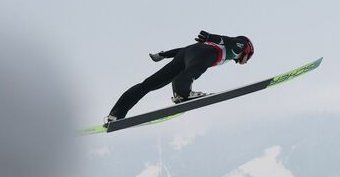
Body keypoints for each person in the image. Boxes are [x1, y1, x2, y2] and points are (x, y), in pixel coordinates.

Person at [105, 30, 254, 125]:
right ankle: (183, 94)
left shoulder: (229, 52)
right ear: (248, 50)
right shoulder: (240, 45)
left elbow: (185, 50)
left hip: (186, 54)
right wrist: (211, 37)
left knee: (149, 84)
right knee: (193, 71)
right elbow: (227, 40)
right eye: (249, 57)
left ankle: (116, 114)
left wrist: (163, 55)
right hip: (204, 53)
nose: (246, 61)